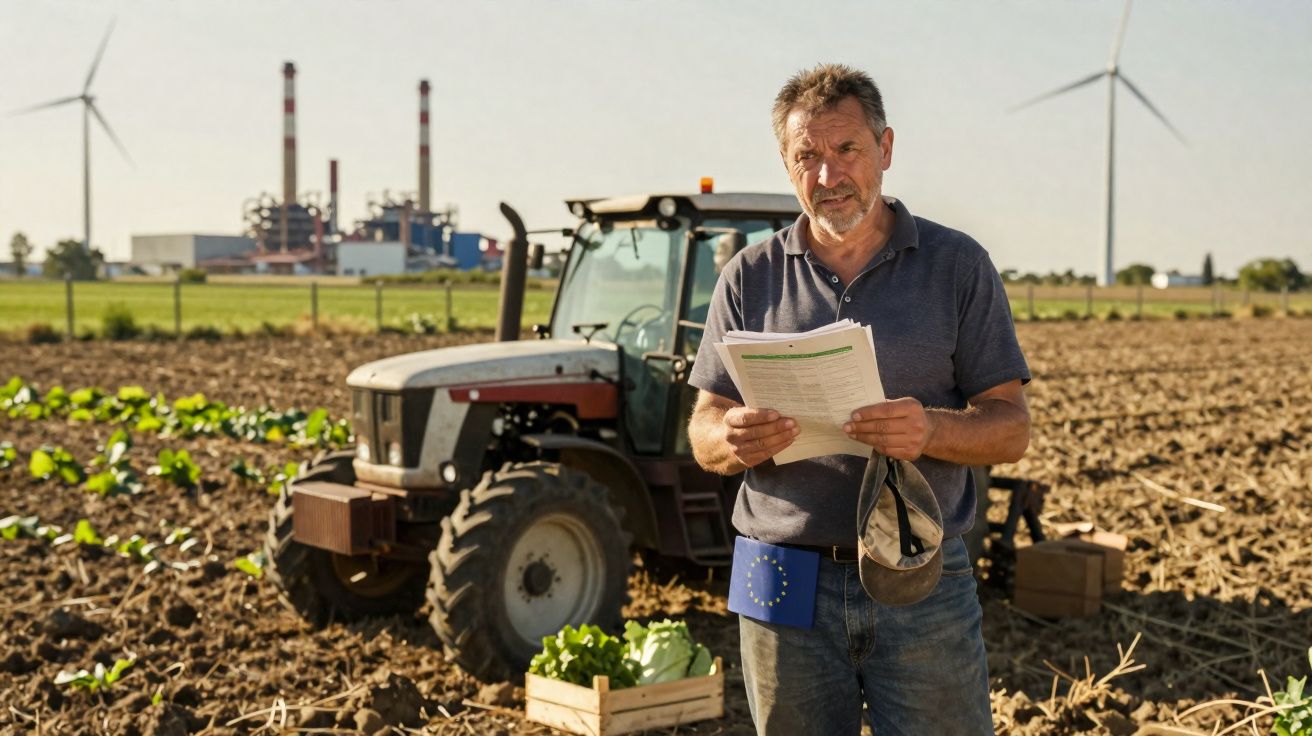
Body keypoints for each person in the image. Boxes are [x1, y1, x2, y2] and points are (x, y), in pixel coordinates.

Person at [686, 63, 1032, 735]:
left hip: (919, 573)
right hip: (779, 575)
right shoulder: (747, 277)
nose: (827, 174)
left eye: (846, 150)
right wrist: (732, 439)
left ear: (886, 149)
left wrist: (927, 429)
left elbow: (1011, 430)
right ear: (786, 165)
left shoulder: (957, 267)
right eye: (806, 156)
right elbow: (701, 430)